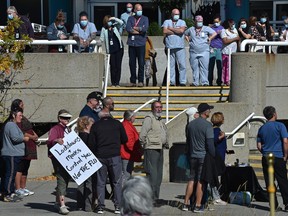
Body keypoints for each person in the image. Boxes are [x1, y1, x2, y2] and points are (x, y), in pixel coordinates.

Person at [88, 97, 128, 214]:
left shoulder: (95, 126)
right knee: (116, 181)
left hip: (100, 155)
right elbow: (125, 139)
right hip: (115, 155)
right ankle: (117, 206)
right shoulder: (117, 124)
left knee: (101, 182)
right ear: (110, 115)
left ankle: (100, 206)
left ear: (100, 116)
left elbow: (91, 143)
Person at [182, 103, 215, 213]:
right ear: (205, 112)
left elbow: (188, 141)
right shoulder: (208, 125)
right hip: (203, 156)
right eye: (209, 111)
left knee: (191, 179)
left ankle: (186, 203)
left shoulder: (191, 125)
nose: (210, 112)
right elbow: (210, 144)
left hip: (192, 155)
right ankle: (197, 205)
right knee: (201, 180)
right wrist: (214, 155)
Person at [257, 106, 288, 212]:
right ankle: (287, 204)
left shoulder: (261, 128)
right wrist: (285, 155)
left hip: (266, 156)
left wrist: (264, 152)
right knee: (282, 181)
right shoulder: (280, 125)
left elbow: (259, 145)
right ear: (274, 114)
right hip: (278, 156)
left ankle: (273, 205)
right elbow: (285, 141)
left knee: (269, 182)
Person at [139, 101, 168, 201]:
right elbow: (142, 135)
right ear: (152, 108)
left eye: (160, 107)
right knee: (152, 175)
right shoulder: (149, 119)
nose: (159, 109)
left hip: (160, 148)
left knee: (158, 176)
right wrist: (146, 145)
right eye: (157, 107)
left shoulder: (160, 120)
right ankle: (150, 198)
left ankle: (156, 197)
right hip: (151, 149)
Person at [11, 99, 38, 197]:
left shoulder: (23, 117)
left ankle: (23, 187)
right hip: (23, 145)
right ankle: (17, 188)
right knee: (20, 168)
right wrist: (31, 136)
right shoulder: (16, 118)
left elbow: (29, 129)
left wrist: (35, 135)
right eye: (22, 104)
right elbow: (20, 131)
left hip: (30, 145)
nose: (24, 106)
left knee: (26, 167)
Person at [47, 109, 72, 215]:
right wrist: (56, 140)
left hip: (67, 158)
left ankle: (58, 202)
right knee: (62, 179)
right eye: (64, 118)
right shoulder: (55, 129)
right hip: (58, 158)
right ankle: (62, 205)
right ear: (59, 118)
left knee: (65, 180)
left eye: (68, 118)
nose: (66, 120)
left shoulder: (68, 129)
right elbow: (49, 141)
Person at [1, 108, 29, 202]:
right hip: (11, 154)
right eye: (20, 115)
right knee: (10, 174)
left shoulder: (11, 125)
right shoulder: (11, 125)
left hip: (11, 153)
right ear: (13, 115)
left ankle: (5, 192)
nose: (21, 118)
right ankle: (8, 194)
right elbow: (15, 138)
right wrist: (24, 138)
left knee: (7, 174)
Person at [185, 15, 216, 86]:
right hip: (193, 52)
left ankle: (205, 82)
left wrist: (210, 38)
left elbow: (214, 33)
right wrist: (188, 40)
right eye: (198, 21)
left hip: (204, 51)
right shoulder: (191, 29)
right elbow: (185, 34)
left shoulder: (206, 28)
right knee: (194, 67)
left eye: (201, 21)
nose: (199, 23)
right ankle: (195, 82)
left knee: (204, 67)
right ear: (195, 22)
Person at [162, 8, 187, 86]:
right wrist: (177, 31)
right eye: (175, 14)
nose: (177, 16)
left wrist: (171, 29)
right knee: (171, 66)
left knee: (182, 65)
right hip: (170, 47)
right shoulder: (167, 21)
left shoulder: (182, 22)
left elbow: (182, 31)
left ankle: (182, 81)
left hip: (180, 47)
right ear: (172, 14)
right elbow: (164, 31)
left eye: (178, 14)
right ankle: (172, 82)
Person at [126, 4, 149, 87]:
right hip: (132, 44)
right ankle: (132, 81)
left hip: (141, 44)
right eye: (138, 10)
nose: (140, 11)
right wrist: (139, 31)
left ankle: (140, 80)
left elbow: (144, 29)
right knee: (132, 63)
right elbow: (128, 28)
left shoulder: (145, 18)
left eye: (141, 9)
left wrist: (135, 28)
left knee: (141, 63)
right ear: (134, 10)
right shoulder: (130, 18)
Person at [76, 116, 95, 212]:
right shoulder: (87, 136)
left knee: (81, 184)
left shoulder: (79, 135)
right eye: (92, 124)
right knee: (88, 184)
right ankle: (88, 206)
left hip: (80, 163)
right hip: (87, 163)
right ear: (87, 126)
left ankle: (80, 204)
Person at [208, 112, 227, 205]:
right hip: (217, 157)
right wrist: (221, 137)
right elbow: (213, 141)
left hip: (218, 155)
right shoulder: (216, 131)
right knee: (215, 177)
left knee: (214, 177)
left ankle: (213, 196)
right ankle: (216, 197)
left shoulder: (214, 129)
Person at [100, 15, 124, 87]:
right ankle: (113, 83)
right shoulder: (104, 29)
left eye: (110, 21)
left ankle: (117, 83)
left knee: (118, 66)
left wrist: (114, 18)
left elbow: (122, 23)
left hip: (119, 49)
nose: (109, 23)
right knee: (113, 66)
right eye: (108, 21)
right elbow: (101, 39)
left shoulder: (115, 27)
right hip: (111, 50)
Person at [121, 110, 142, 184]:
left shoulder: (126, 125)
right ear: (130, 117)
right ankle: (122, 194)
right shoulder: (127, 126)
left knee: (126, 175)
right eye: (134, 117)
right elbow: (129, 142)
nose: (135, 118)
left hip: (126, 154)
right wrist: (137, 151)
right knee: (126, 175)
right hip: (126, 154)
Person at [221, 19, 240, 86]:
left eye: (233, 23)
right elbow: (225, 41)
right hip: (226, 52)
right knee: (226, 67)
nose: (233, 25)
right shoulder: (224, 31)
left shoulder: (235, 30)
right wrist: (234, 39)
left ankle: (231, 79)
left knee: (232, 67)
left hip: (234, 52)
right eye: (231, 23)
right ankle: (225, 80)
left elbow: (238, 39)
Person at [208, 15, 224, 86]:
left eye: (217, 22)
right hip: (212, 48)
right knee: (211, 66)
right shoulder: (210, 28)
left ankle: (219, 80)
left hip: (219, 49)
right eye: (214, 22)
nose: (216, 23)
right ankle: (210, 81)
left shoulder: (222, 28)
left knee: (219, 65)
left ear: (220, 21)